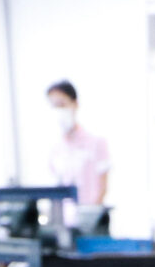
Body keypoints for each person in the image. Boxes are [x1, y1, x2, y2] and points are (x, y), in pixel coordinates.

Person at [43, 79, 110, 211]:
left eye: (61, 105)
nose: (58, 111)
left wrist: (90, 215)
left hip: (90, 216)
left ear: (75, 104)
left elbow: (103, 187)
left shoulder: (96, 143)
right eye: (54, 106)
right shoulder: (55, 149)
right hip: (63, 218)